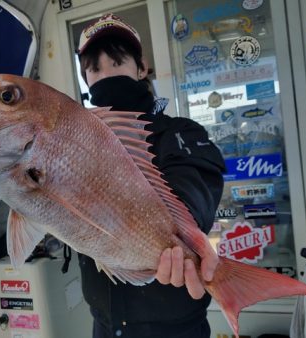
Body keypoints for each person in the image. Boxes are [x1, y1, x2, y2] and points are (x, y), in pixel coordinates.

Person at [76, 13, 226, 338]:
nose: (105, 76)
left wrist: (178, 237)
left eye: (116, 62)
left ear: (141, 68)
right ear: (85, 81)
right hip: (104, 325)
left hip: (177, 329)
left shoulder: (179, 132)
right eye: (94, 69)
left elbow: (194, 185)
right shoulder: (78, 149)